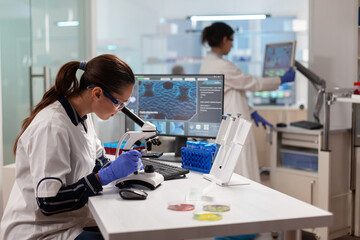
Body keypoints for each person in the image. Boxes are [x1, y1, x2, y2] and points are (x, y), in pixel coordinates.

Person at [0, 54, 143, 240]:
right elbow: (48, 202)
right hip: (39, 231)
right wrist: (105, 176)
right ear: (97, 93)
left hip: (70, 221)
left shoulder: (83, 116)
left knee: (130, 230)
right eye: (118, 103)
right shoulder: (52, 126)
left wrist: (122, 170)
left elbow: (98, 160)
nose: (119, 110)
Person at [200, 22, 295, 182]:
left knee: (233, 172)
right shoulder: (222, 66)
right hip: (232, 130)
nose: (232, 45)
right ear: (224, 40)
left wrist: (252, 111)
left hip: (225, 126)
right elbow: (251, 83)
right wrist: (280, 79)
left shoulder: (208, 64)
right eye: (231, 40)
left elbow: (230, 93)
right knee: (239, 172)